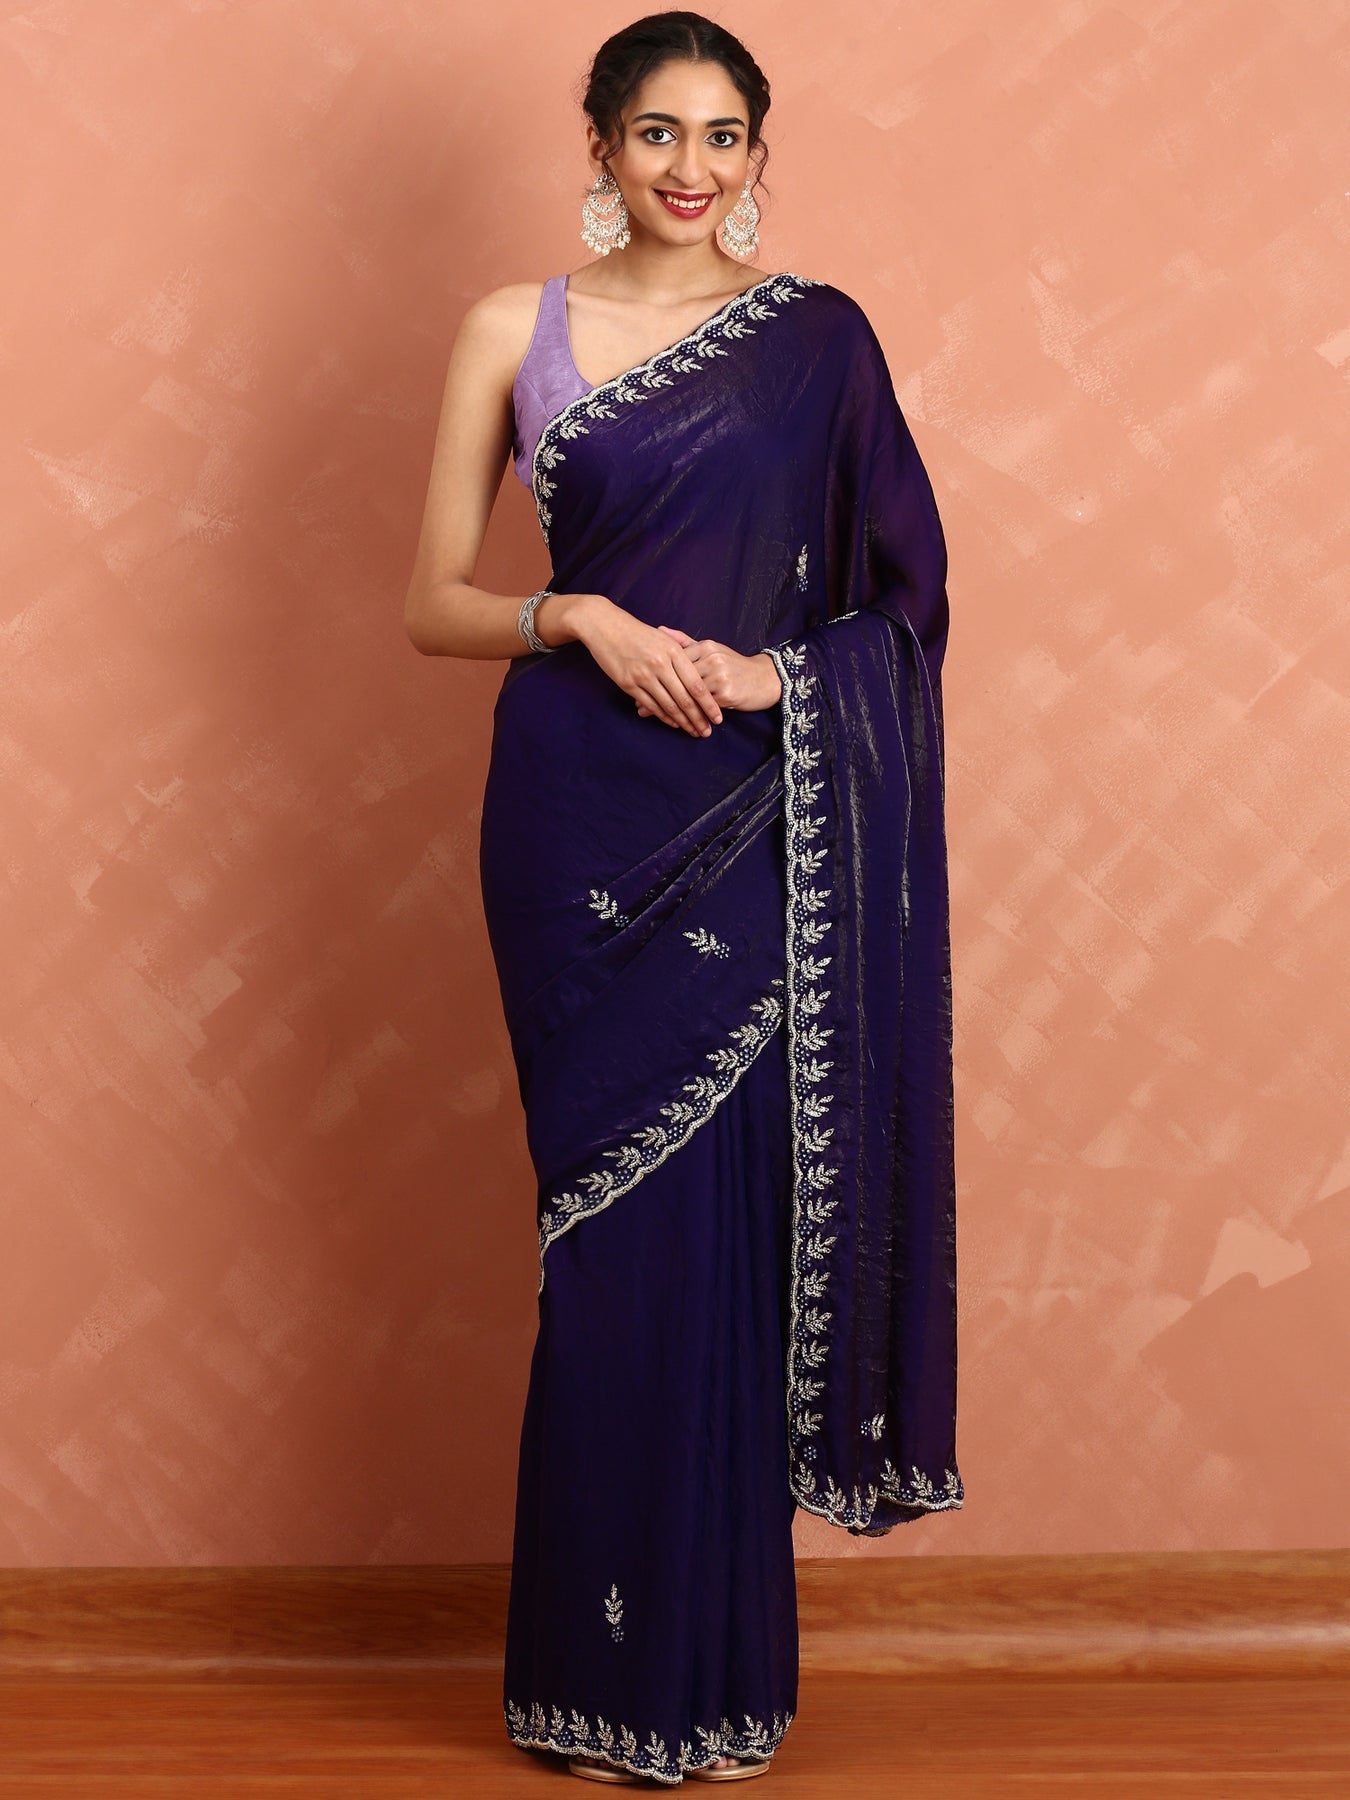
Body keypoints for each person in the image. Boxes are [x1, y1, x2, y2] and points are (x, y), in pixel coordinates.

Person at [403, 11, 965, 1785]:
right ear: (599, 143)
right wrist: (573, 612)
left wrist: (770, 679)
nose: (690, 167)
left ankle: (710, 1682)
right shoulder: (513, 330)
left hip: (756, 811)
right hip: (573, 821)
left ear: (755, 157)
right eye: (657, 131)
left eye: (723, 136)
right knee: (605, 1241)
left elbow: (909, 599)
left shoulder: (816, 343)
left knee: (727, 1232)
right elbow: (430, 602)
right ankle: (590, 1685)